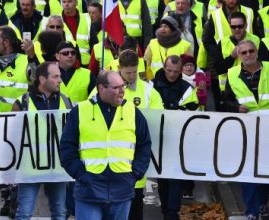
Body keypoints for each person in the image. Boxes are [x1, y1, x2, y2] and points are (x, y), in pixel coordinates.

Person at [60, 70, 152, 219]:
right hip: (89, 191)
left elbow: (144, 146)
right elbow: (66, 148)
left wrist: (134, 174)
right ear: (102, 88)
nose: (122, 91)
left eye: (123, 86)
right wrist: (81, 175)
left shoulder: (133, 112)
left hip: (122, 190)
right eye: (116, 87)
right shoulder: (80, 111)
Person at [0, 25, 36, 217]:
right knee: (1, 165)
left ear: (6, 42)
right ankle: (7, 199)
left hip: (18, 124)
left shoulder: (24, 61)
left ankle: (16, 199)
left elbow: (36, 80)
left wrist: (33, 56)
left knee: (17, 164)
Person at [223, 40, 269, 220]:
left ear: (257, 52)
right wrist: (236, 108)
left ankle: (262, 203)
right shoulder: (233, 74)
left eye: (251, 51)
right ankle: (251, 210)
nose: (248, 55)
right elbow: (225, 101)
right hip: (245, 131)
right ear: (239, 55)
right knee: (248, 170)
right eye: (244, 53)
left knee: (267, 171)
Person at [12, 61, 71, 220]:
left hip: (57, 169)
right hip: (30, 170)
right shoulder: (22, 103)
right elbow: (12, 138)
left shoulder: (65, 101)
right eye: (55, 76)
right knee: (24, 214)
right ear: (42, 79)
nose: (60, 80)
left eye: (59, 76)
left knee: (59, 214)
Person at [116, 49, 163, 220]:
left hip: (136, 157)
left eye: (134, 72)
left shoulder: (148, 91)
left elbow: (159, 117)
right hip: (112, 159)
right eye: (128, 72)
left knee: (135, 207)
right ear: (119, 68)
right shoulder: (106, 87)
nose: (131, 75)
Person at [152, 55, 198, 219]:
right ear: (164, 68)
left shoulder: (187, 88)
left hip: (178, 139)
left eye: (176, 72)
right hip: (157, 139)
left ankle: (172, 213)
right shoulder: (151, 86)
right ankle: (166, 210)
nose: (172, 75)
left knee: (175, 178)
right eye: (169, 71)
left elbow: (192, 114)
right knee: (162, 180)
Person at [212, 12, 269, 108]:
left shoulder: (256, 41)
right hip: (230, 92)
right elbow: (218, 69)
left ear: (246, 25)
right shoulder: (223, 42)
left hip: (254, 89)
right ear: (230, 26)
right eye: (233, 27)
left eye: (240, 26)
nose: (237, 29)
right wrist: (231, 57)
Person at [144, 15, 192, 80]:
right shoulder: (153, 43)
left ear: (172, 29)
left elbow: (189, 67)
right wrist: (150, 80)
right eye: (161, 26)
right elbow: (146, 63)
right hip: (155, 82)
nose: (162, 29)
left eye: (166, 27)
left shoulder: (185, 45)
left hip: (177, 82)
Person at [61, 0, 97, 66]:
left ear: (76, 3)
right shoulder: (57, 19)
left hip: (85, 63)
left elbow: (94, 43)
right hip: (65, 63)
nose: (66, 4)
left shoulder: (86, 18)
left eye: (69, 1)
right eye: (64, 2)